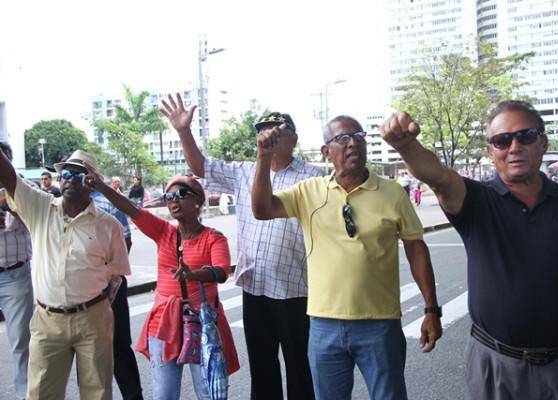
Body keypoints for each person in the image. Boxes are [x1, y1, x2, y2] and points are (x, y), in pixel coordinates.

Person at [381, 100, 558, 399]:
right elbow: (438, 176)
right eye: (502, 140)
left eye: (526, 136)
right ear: (490, 151)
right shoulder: (476, 200)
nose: (514, 147)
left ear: (543, 143)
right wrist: (407, 146)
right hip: (495, 367)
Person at [251, 115, 442, 400]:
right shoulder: (309, 191)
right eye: (343, 138)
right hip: (323, 326)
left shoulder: (392, 193)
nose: (353, 143)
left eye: (359, 136)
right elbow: (262, 209)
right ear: (326, 152)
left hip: (380, 324)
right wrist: (263, 157)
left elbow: (416, 249)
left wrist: (431, 309)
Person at [161, 93, 321, 400]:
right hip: (254, 287)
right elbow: (201, 167)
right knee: (262, 368)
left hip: (295, 290)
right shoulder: (244, 171)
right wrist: (183, 131)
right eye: (263, 131)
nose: (269, 136)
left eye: (278, 131)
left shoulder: (313, 176)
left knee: (300, 368)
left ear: (294, 138)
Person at [88, 173, 239, 400]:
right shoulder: (163, 232)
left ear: (198, 201)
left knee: (209, 392)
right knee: (164, 394)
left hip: (203, 326)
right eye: (169, 196)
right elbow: (130, 208)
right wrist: (102, 186)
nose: (174, 200)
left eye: (181, 194)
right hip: (164, 324)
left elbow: (221, 271)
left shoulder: (213, 238)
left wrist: (193, 274)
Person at [0, 149, 131, 400]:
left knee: (97, 393)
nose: (70, 178)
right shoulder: (39, 207)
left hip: (93, 320)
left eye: (79, 174)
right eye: (66, 174)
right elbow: (8, 175)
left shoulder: (109, 225)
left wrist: (98, 309)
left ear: (93, 182)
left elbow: (117, 274)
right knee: (40, 393)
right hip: (47, 321)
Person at [91, 189, 144, 400]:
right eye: (63, 175)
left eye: (74, 173)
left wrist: (111, 274)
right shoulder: (59, 206)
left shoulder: (109, 203)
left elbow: (126, 242)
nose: (67, 179)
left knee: (119, 346)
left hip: (112, 285)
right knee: (89, 352)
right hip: (81, 291)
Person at [0, 142, 33, 400]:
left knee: (21, 343)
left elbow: (38, 218)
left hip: (15, 275)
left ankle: (26, 395)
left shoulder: (24, 189)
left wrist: (12, 205)